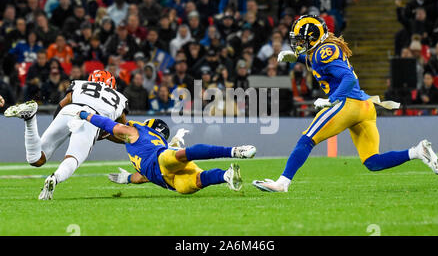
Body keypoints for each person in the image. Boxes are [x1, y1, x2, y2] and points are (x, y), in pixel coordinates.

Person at [253, 15, 438, 193]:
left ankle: (282, 183)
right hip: (365, 107)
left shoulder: (323, 52)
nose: (298, 44)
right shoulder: (323, 48)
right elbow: (319, 62)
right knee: (372, 162)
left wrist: (332, 99)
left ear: (313, 38)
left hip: (346, 104)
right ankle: (417, 151)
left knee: (307, 139)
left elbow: (348, 78)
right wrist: (297, 57)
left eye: (301, 40)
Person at [4, 70, 129, 200]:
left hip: (68, 111)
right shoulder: (119, 99)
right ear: (112, 85)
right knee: (73, 158)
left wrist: (60, 125)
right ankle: (54, 178)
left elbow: (64, 102)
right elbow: (125, 133)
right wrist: (112, 136)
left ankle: (30, 119)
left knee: (36, 159)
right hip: (91, 117)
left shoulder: (81, 84)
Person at [73, 111, 256, 194]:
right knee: (190, 185)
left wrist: (84, 115)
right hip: (168, 178)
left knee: (181, 155)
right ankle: (227, 175)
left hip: (162, 160)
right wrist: (128, 179)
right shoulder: (148, 139)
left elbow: (107, 124)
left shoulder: (134, 132)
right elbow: (144, 177)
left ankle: (235, 151)